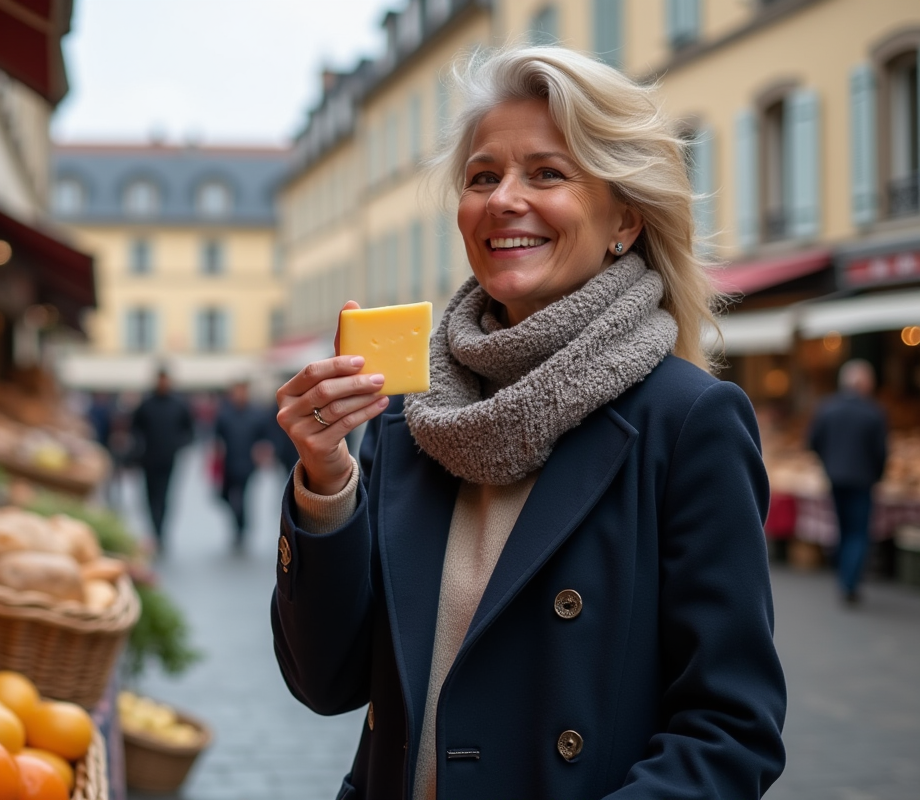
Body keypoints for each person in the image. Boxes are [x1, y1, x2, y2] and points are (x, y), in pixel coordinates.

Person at [271, 46, 786, 800]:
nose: (504, 199)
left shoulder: (688, 420)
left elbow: (731, 728)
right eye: (483, 176)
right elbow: (328, 681)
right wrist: (326, 481)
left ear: (624, 220)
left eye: (546, 173)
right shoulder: (409, 415)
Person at [807, 359, 889, 605]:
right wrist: (877, 475)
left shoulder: (827, 407)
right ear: (865, 384)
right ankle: (849, 582)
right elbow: (881, 453)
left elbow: (812, 441)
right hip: (863, 480)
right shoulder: (873, 412)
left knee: (843, 529)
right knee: (858, 532)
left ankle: (844, 576)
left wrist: (828, 463)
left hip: (835, 477)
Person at [130, 368, 194, 550]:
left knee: (165, 496)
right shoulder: (146, 405)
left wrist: (178, 445)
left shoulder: (178, 405)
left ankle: (161, 531)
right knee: (150, 496)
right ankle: (155, 529)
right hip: (148, 459)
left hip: (168, 459)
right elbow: (135, 429)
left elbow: (189, 430)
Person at [213, 381, 270, 552]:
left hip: (247, 464)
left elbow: (265, 437)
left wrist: (262, 452)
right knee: (225, 496)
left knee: (242, 497)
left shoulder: (256, 414)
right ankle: (239, 523)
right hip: (228, 463)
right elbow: (217, 437)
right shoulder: (225, 414)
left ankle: (241, 529)